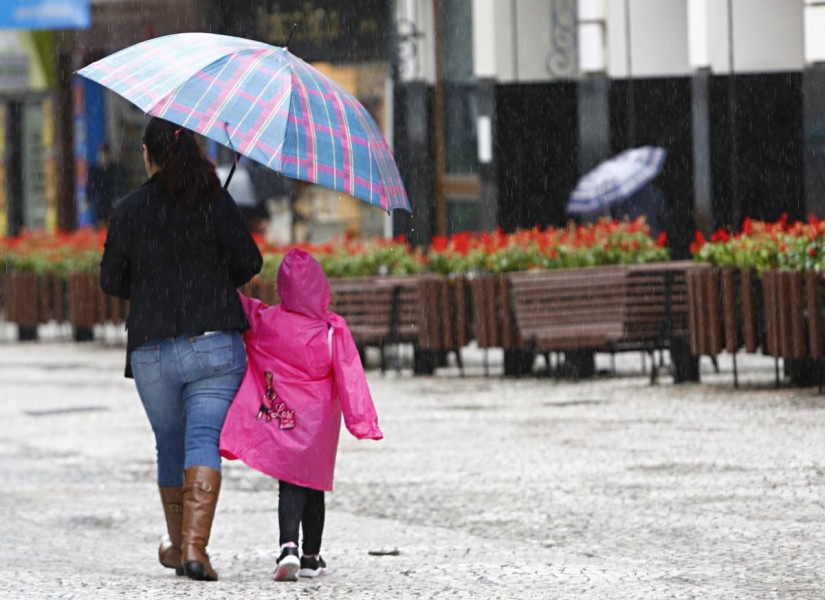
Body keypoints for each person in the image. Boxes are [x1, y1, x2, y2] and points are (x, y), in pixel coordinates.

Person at [99, 117, 263, 582]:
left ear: (148, 156)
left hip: (152, 348)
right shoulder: (214, 198)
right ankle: (195, 549)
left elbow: (111, 280)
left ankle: (177, 545)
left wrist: (151, 281)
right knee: (202, 440)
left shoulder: (129, 210)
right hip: (214, 343)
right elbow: (249, 262)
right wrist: (213, 272)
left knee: (168, 442)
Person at [219, 248, 383, 582]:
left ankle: (288, 546)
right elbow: (350, 376)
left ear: (283, 289)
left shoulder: (268, 321)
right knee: (314, 485)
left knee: (290, 483)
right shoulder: (332, 329)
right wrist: (362, 422)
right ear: (321, 287)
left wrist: (229, 279)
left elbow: (241, 309)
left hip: (285, 418)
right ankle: (311, 556)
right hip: (319, 422)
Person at [87, 143, 127, 229]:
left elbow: (120, 185)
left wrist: (118, 197)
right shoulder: (94, 170)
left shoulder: (115, 169)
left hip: (111, 202)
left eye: (105, 153)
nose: (103, 156)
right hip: (99, 203)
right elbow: (90, 186)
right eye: (101, 154)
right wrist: (89, 198)